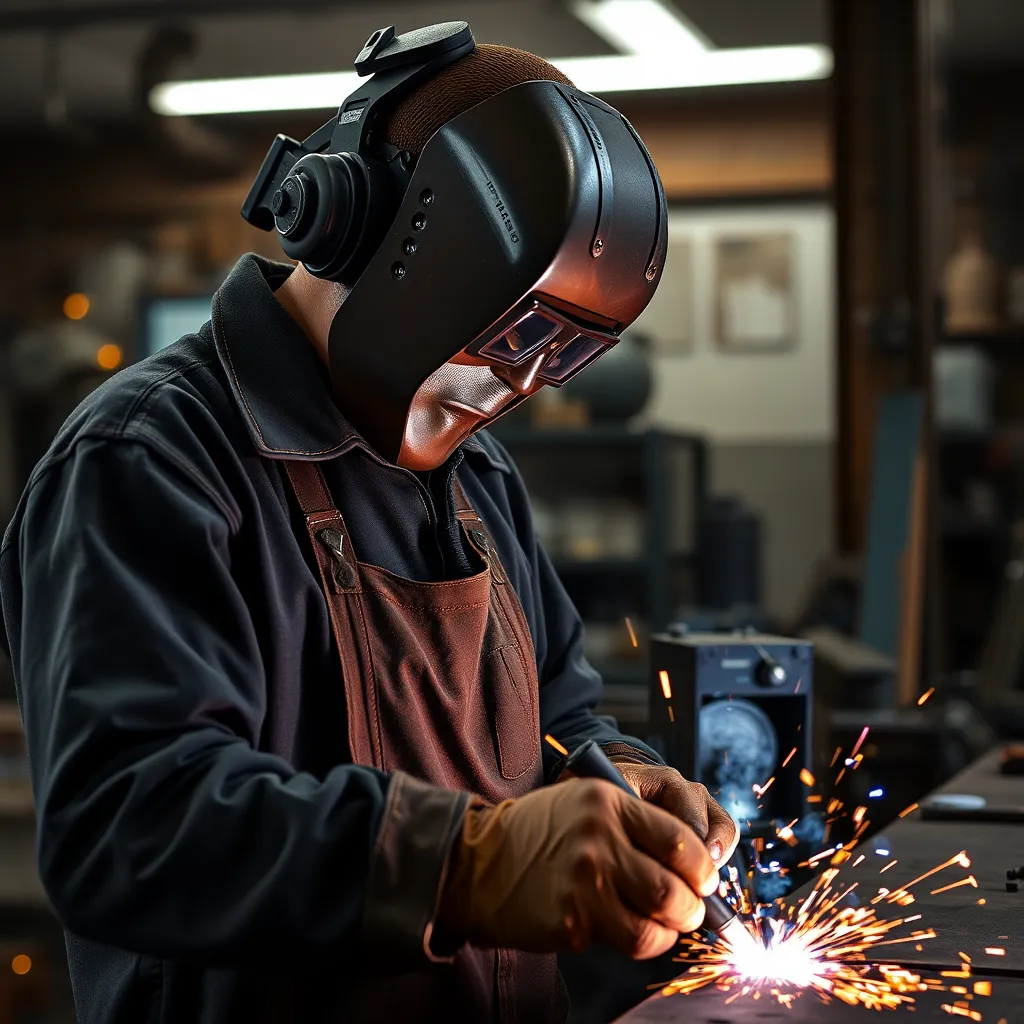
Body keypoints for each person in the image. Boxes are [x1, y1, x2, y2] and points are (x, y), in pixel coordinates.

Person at [0, 24, 738, 1024]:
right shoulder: (151, 459)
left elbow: (560, 715)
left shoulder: (478, 475)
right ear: (378, 237)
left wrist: (627, 788)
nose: (519, 386)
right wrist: (463, 863)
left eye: (564, 355)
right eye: (512, 334)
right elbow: (130, 822)